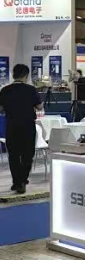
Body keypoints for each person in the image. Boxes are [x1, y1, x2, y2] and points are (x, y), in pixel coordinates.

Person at [0, 64, 42, 194]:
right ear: (26, 75)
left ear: (14, 74)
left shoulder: (5, 90)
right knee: (27, 155)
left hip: (12, 126)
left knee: (13, 155)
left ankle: (17, 182)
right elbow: (39, 107)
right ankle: (22, 181)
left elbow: (0, 109)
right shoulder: (31, 89)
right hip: (28, 126)